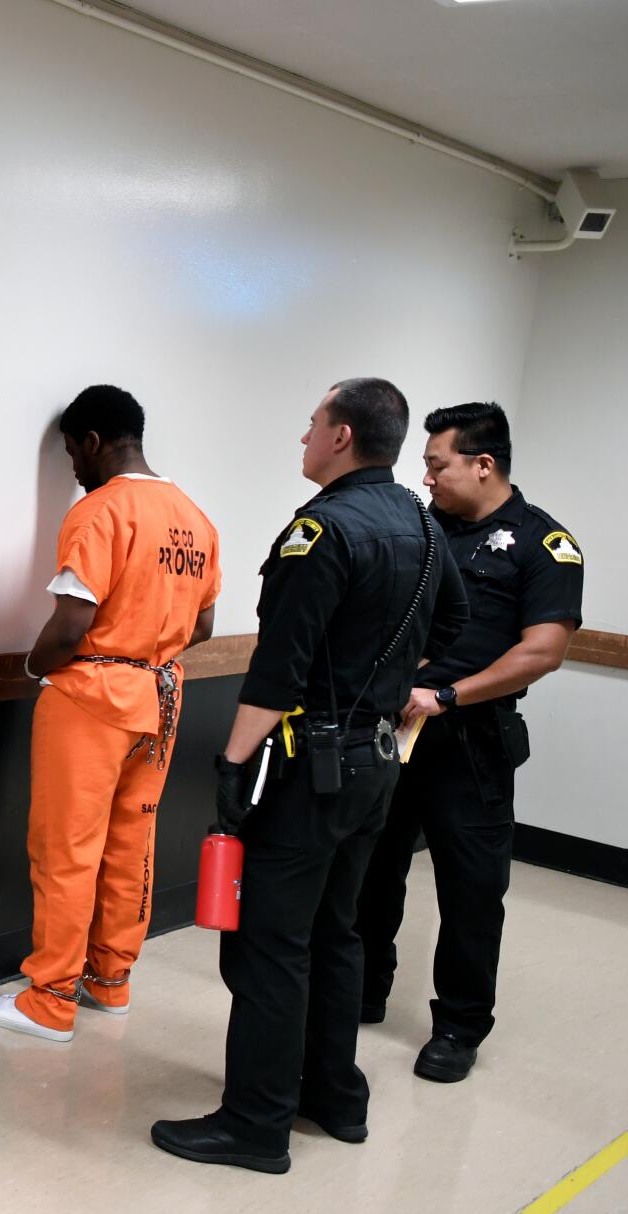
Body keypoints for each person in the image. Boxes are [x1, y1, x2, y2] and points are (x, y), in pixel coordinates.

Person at [152, 378, 467, 1173]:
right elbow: (456, 622)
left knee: (269, 943)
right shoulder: (424, 528)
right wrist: (385, 682)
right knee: (337, 930)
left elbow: (277, 671)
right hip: (378, 763)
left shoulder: (322, 530)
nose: (302, 439)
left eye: (312, 425)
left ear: (341, 437)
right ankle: (334, 1095)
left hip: (308, 768)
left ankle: (255, 1122)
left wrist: (231, 765)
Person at [0, 386, 221, 1042]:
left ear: (91, 441)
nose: (73, 470)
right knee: (130, 841)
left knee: (66, 848)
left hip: (92, 700)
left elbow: (72, 623)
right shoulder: (194, 518)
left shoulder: (100, 511)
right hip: (161, 697)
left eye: (71, 454)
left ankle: (49, 999)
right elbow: (204, 624)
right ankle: (110, 981)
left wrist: (34, 665)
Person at [355, 403, 581, 1083]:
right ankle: (364, 988)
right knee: (372, 868)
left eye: (436, 464)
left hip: (470, 740)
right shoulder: (425, 531)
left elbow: (543, 650)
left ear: (483, 464)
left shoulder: (544, 545)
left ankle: (458, 1023)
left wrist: (448, 694)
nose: (426, 478)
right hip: (395, 732)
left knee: (471, 888)